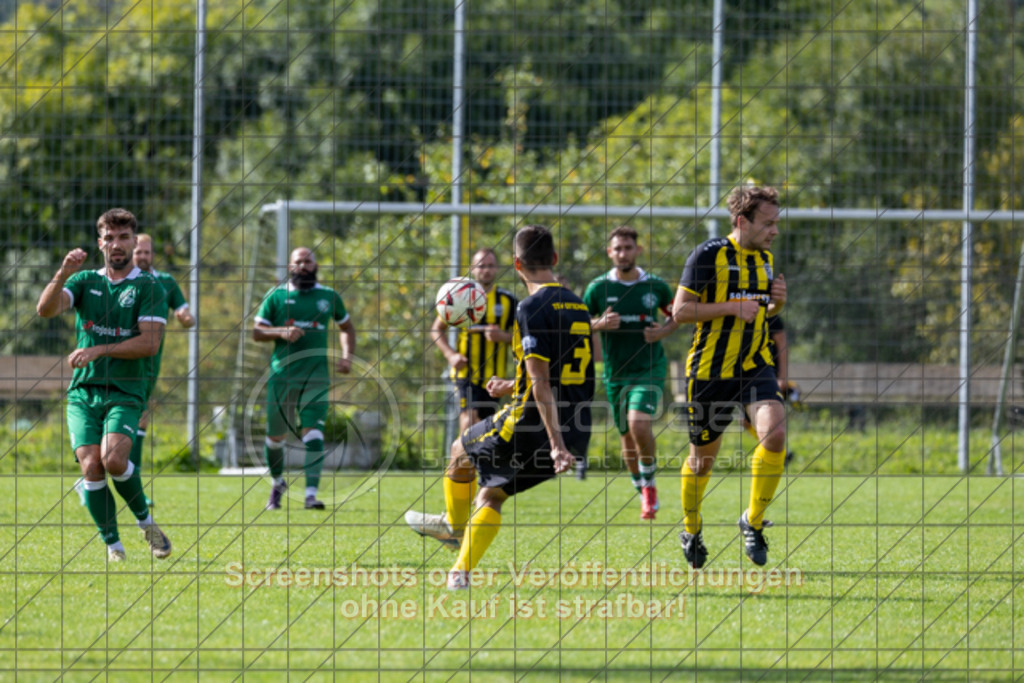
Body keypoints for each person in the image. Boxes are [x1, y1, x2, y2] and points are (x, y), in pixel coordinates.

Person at [406, 224, 595, 589]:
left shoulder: (529, 306)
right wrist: (513, 385)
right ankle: (459, 572)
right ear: (554, 259)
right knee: (491, 493)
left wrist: (553, 443)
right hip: (577, 425)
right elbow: (563, 370)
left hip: (531, 424)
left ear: (516, 264)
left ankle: (451, 528)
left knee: (459, 448)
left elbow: (541, 380)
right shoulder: (577, 304)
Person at [36, 208, 173, 562]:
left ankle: (146, 523)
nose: (116, 244)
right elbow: (46, 310)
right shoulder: (84, 283)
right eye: (109, 238)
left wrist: (98, 348)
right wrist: (64, 273)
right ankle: (114, 547)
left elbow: (150, 343)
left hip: (126, 391)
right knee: (91, 466)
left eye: (123, 237)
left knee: (113, 460)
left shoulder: (149, 287)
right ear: (100, 243)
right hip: (83, 392)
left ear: (133, 241)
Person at [672, 185, 788, 569]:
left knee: (775, 435)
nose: (774, 231)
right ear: (742, 221)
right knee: (701, 462)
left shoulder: (766, 260)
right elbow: (680, 312)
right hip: (708, 372)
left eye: (776, 223)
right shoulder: (708, 255)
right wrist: (730, 306)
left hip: (754, 366)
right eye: (767, 223)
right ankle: (691, 527)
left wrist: (776, 305)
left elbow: (758, 312)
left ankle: (752, 521)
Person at [583, 226, 677, 519]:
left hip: (649, 367)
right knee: (626, 437)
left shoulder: (656, 286)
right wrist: (598, 324)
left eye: (628, 247)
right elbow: (577, 323)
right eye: (617, 248)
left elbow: (677, 314)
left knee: (639, 424)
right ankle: (642, 489)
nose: (623, 253)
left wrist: (662, 332)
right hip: (615, 373)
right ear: (610, 253)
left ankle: (649, 486)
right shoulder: (598, 289)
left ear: (638, 250)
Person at [253, 247, 356, 510]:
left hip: (316, 377)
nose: (303, 265)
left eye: (307, 261)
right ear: (290, 266)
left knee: (313, 433)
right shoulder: (276, 296)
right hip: (282, 376)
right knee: (274, 439)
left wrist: (347, 356)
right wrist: (282, 332)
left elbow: (346, 327)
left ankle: (311, 496)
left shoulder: (329, 296)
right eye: (298, 261)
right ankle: (278, 483)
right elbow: (257, 331)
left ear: (316, 265)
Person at [129, 234, 196, 504]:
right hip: (123, 360)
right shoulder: (124, 280)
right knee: (124, 418)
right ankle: (116, 484)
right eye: (138, 252)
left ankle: (127, 485)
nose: (143, 256)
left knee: (139, 419)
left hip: (149, 363)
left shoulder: (165, 282)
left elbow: (183, 311)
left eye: (147, 252)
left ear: (153, 254)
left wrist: (185, 317)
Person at [431, 248, 518, 435]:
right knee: (468, 420)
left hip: (495, 377)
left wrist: (503, 337)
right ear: (472, 269)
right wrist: (451, 355)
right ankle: (458, 463)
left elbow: (524, 337)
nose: (486, 270)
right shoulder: (459, 296)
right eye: (481, 266)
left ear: (497, 269)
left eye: (491, 266)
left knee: (486, 428)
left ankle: (471, 463)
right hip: (466, 373)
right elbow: (436, 329)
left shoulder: (508, 301)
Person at [739, 314, 796, 466]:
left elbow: (782, 345)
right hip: (740, 375)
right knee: (745, 421)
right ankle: (780, 452)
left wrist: (782, 377)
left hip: (766, 374)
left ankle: (778, 452)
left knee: (768, 422)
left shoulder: (770, 315)